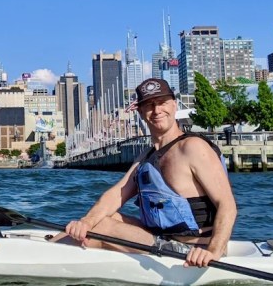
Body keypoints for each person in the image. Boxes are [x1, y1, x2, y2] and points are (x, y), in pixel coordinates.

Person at [64, 78, 237, 267]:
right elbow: (116, 194)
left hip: (195, 250)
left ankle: (54, 256)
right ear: (140, 111)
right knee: (102, 218)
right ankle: (59, 253)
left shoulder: (193, 147)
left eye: (162, 103)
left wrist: (213, 251)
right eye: (149, 105)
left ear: (174, 105)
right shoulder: (147, 155)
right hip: (162, 238)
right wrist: (86, 222)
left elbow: (227, 205)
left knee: (103, 226)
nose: (157, 111)